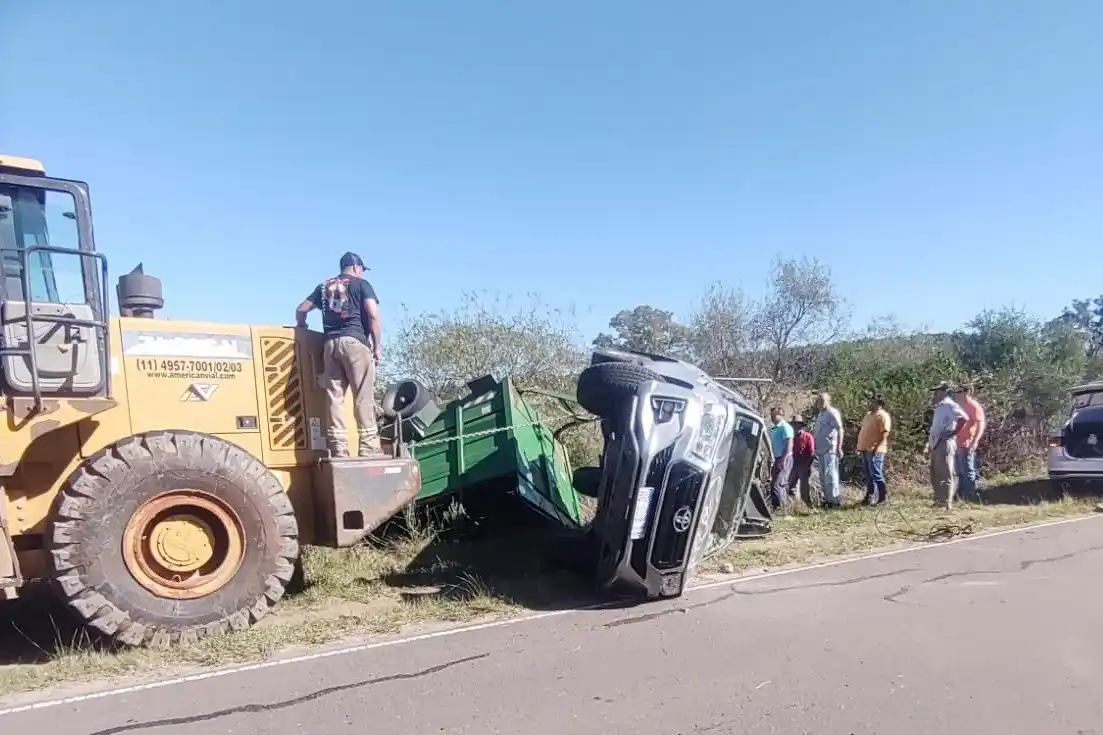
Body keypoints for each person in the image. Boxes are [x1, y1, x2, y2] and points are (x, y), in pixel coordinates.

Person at [295, 252, 384, 458]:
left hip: (330, 345)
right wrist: (377, 346)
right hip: (355, 343)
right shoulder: (362, 285)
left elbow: (301, 309)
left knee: (334, 398)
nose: (362, 273)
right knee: (362, 396)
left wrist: (301, 326)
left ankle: (338, 448)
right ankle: (369, 447)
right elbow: (372, 314)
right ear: (356, 268)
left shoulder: (323, 287)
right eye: (362, 269)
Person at [926, 381, 969, 510]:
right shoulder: (940, 406)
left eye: (938, 390)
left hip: (945, 442)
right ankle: (939, 500)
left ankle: (946, 503)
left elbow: (964, 418)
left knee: (946, 473)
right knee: (935, 473)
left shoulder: (950, 405)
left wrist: (953, 432)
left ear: (945, 391)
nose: (936, 393)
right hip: (936, 442)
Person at [952, 384, 986, 502]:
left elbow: (980, 425)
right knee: (959, 471)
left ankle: (971, 495)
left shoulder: (973, 406)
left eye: (959, 392)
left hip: (967, 443)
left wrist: (974, 442)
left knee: (968, 470)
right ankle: (961, 495)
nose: (956, 394)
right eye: (956, 392)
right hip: (957, 443)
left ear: (966, 392)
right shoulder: (958, 406)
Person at [856, 394, 892, 506]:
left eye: (873, 402)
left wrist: (876, 447)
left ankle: (882, 498)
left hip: (875, 450)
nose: (870, 404)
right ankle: (869, 497)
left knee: (876, 473)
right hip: (865, 449)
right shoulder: (868, 415)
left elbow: (884, 432)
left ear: (879, 404)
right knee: (868, 475)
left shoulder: (882, 415)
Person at [813, 392, 844, 509]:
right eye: (819, 400)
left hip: (830, 449)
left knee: (830, 475)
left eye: (822, 400)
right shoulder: (820, 414)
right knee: (822, 476)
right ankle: (827, 499)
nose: (820, 403)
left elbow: (840, 429)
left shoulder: (832, 412)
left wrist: (839, 447)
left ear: (828, 401)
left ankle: (834, 500)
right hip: (820, 450)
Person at [768, 407, 795, 511]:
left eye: (773, 415)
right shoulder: (774, 428)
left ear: (779, 415)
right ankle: (776, 507)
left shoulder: (785, 427)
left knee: (778, 484)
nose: (771, 417)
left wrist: (783, 460)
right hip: (776, 458)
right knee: (774, 483)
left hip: (784, 458)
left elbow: (789, 444)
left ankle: (782, 508)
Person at [789, 415, 816, 506]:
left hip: (804, 464)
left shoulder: (808, 436)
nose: (795, 427)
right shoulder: (791, 438)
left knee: (804, 488)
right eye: (794, 425)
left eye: (797, 425)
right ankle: (794, 505)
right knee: (790, 487)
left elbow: (812, 452)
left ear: (801, 426)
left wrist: (807, 465)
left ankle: (808, 505)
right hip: (793, 464)